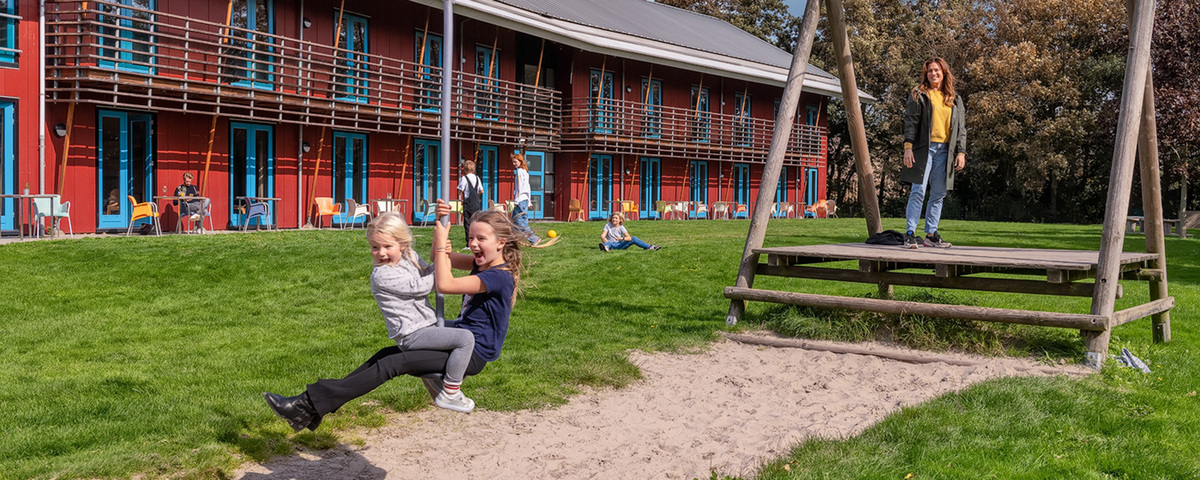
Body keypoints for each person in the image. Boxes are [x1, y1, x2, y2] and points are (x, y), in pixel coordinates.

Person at [263, 201, 524, 433]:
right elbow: (438, 260)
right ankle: (310, 408)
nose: (472, 244)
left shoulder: (498, 276)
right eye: (471, 237)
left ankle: (449, 392)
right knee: (384, 356)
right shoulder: (483, 263)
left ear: (501, 242)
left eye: (481, 239)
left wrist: (443, 249)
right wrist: (440, 227)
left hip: (471, 353)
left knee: (392, 364)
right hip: (461, 337)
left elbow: (444, 283)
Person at [364, 211, 477, 413]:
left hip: (426, 324)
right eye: (375, 247)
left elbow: (428, 269)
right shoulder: (382, 274)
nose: (381, 253)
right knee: (465, 339)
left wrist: (442, 254)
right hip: (412, 334)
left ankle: (442, 386)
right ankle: (451, 391)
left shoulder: (409, 256)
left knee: (463, 330)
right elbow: (424, 285)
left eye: (387, 246)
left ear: (403, 244)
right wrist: (444, 257)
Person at [901, 57, 966, 249]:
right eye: (929, 71)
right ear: (926, 74)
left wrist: (961, 152)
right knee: (918, 190)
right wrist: (908, 147)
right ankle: (910, 234)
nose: (933, 73)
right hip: (923, 149)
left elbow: (961, 128)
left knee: (939, 193)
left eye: (936, 70)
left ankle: (931, 234)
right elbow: (910, 122)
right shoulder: (919, 95)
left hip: (945, 150)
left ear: (944, 72)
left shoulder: (954, 98)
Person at [510, 152, 540, 245]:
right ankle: (512, 239)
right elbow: (528, 187)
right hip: (524, 199)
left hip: (521, 200)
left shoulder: (519, 171)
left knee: (520, 222)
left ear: (520, 161)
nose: (514, 164)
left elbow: (520, 187)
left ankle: (534, 239)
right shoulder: (525, 172)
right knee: (514, 221)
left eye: (515, 162)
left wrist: (516, 200)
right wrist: (529, 201)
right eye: (513, 162)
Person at [457, 159, 484, 246]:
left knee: (467, 223)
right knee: (476, 222)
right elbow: (482, 191)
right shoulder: (477, 178)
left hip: (468, 203)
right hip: (475, 203)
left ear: (464, 169)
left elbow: (460, 190)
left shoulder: (464, 178)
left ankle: (469, 243)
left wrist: (461, 193)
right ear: (473, 169)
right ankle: (478, 240)